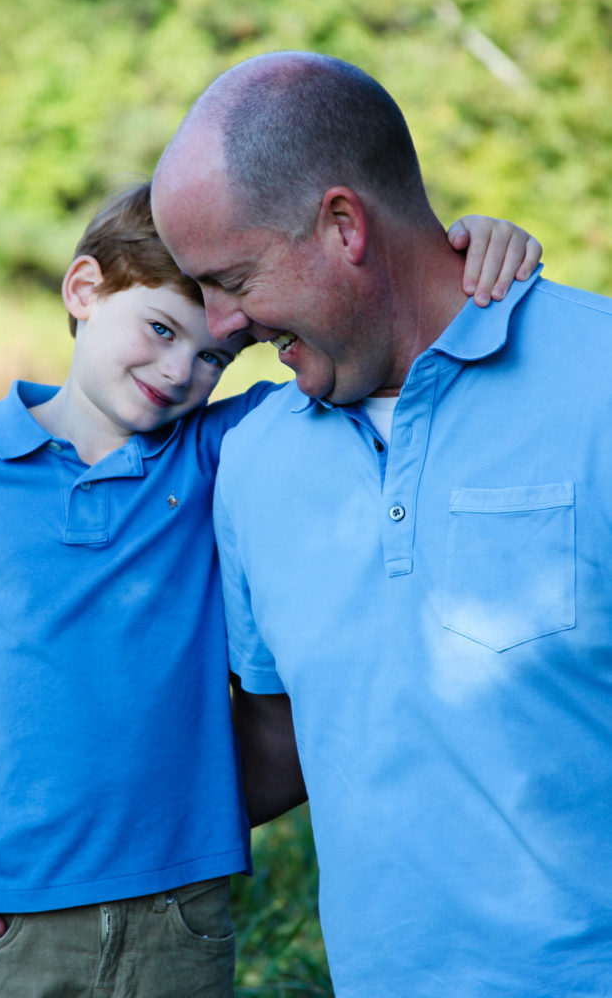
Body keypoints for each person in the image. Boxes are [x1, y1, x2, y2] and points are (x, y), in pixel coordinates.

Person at [0, 194, 538, 990]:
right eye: (161, 331)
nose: (179, 372)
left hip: (179, 906)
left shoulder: (210, 449)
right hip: (16, 904)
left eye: (213, 358)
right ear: (82, 290)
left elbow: (373, 351)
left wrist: (466, 248)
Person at [149, 52, 612, 996]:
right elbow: (277, 741)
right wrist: (21, 827)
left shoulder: (595, 382)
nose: (217, 324)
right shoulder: (254, 459)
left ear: (343, 225)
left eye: (231, 278)